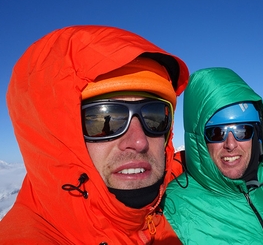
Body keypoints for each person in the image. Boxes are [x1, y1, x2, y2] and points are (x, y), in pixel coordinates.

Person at [0, 25, 189, 244]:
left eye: (154, 118)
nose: (138, 141)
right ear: (56, 136)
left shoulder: (153, 207)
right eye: (104, 121)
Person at [163, 67, 263, 244]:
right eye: (217, 133)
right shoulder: (172, 211)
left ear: (256, 134)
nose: (231, 144)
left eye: (243, 130)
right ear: (199, 141)